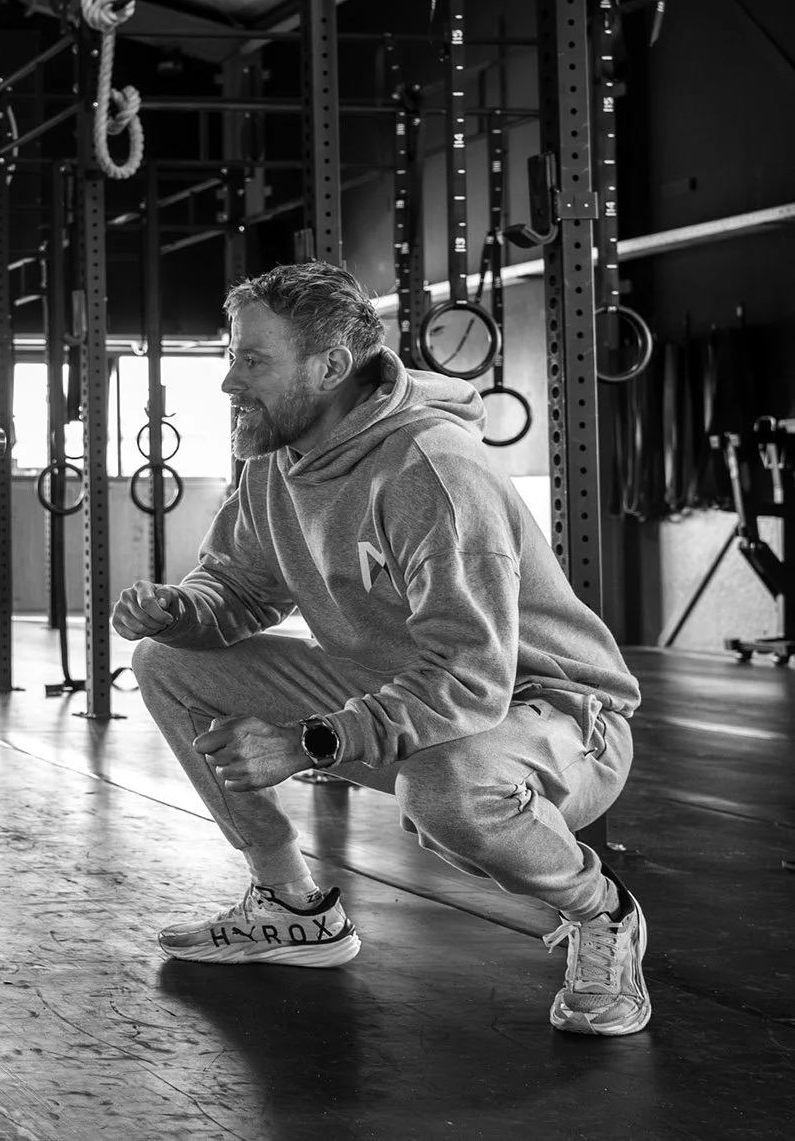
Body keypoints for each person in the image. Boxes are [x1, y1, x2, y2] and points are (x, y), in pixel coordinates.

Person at [116, 261, 649, 1036]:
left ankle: (601, 912)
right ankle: (289, 905)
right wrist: (179, 612)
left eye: (253, 360)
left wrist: (309, 741)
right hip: (395, 691)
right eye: (232, 357)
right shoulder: (277, 460)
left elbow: (470, 677)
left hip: (549, 713)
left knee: (443, 786)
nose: (231, 382)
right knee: (166, 663)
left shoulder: (433, 470)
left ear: (330, 366)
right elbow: (237, 585)